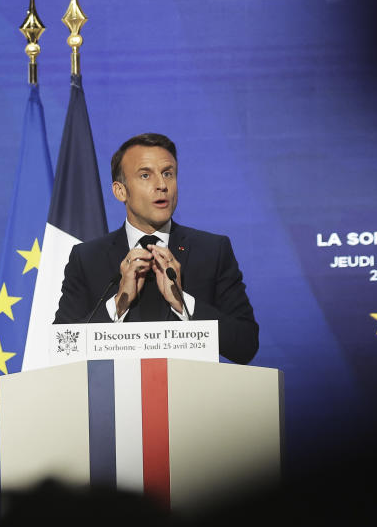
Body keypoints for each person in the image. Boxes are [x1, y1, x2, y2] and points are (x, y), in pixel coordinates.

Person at [53, 133, 259, 364]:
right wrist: (117, 304)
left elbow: (246, 345)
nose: (162, 186)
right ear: (120, 191)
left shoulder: (212, 251)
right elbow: (63, 348)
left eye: (168, 174)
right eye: (145, 175)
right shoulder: (87, 258)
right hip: (115, 398)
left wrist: (184, 303)